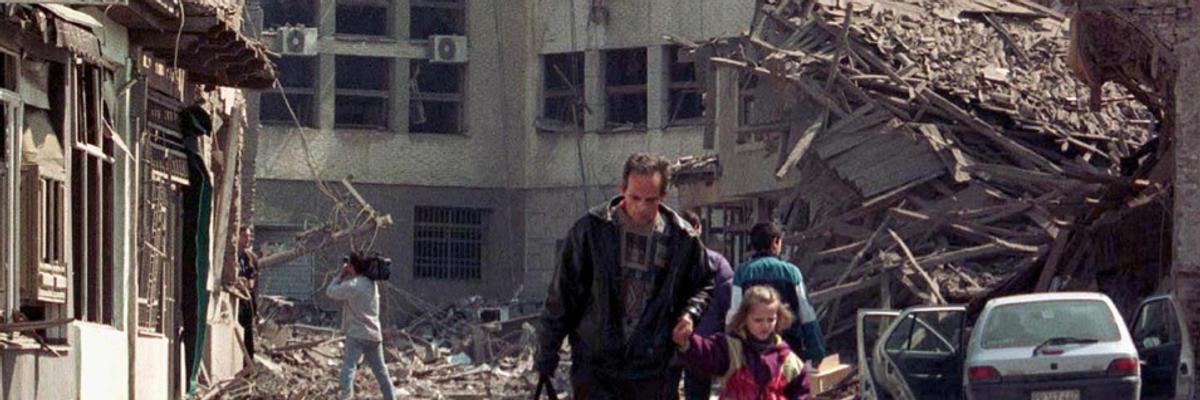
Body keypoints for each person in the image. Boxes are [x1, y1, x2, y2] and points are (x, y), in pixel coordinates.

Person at [536, 152, 716, 400]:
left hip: (652, 367)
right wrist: (546, 354)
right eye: (635, 197)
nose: (641, 207)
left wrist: (689, 315)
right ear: (622, 190)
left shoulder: (681, 238)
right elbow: (562, 297)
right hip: (597, 367)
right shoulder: (591, 231)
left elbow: (704, 283)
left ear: (663, 196)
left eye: (650, 200)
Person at [672, 285, 813, 400]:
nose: (765, 325)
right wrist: (686, 341)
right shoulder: (731, 348)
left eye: (771, 319)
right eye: (758, 320)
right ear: (744, 318)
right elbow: (705, 353)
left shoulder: (787, 359)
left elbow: (802, 393)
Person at [727, 222, 825, 364]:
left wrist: (731, 350)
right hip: (788, 350)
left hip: (752, 351)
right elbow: (807, 314)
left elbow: (735, 314)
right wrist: (816, 350)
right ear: (775, 243)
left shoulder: (742, 273)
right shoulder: (791, 272)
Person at [668, 210, 734, 400]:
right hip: (702, 345)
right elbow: (729, 307)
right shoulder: (717, 263)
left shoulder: (660, 262)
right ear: (698, 229)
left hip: (666, 345)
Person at [327, 251, 395, 400]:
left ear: (352, 266)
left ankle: (345, 396)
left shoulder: (353, 285)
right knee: (382, 373)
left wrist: (341, 274)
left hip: (357, 334)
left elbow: (330, 292)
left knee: (348, 369)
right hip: (374, 335)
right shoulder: (371, 284)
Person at [236, 226, 260, 360]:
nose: (248, 239)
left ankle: (248, 364)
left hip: (247, 300)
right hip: (235, 299)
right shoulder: (232, 256)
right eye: (244, 236)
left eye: (249, 236)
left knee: (248, 333)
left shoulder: (251, 257)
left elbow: (253, 280)